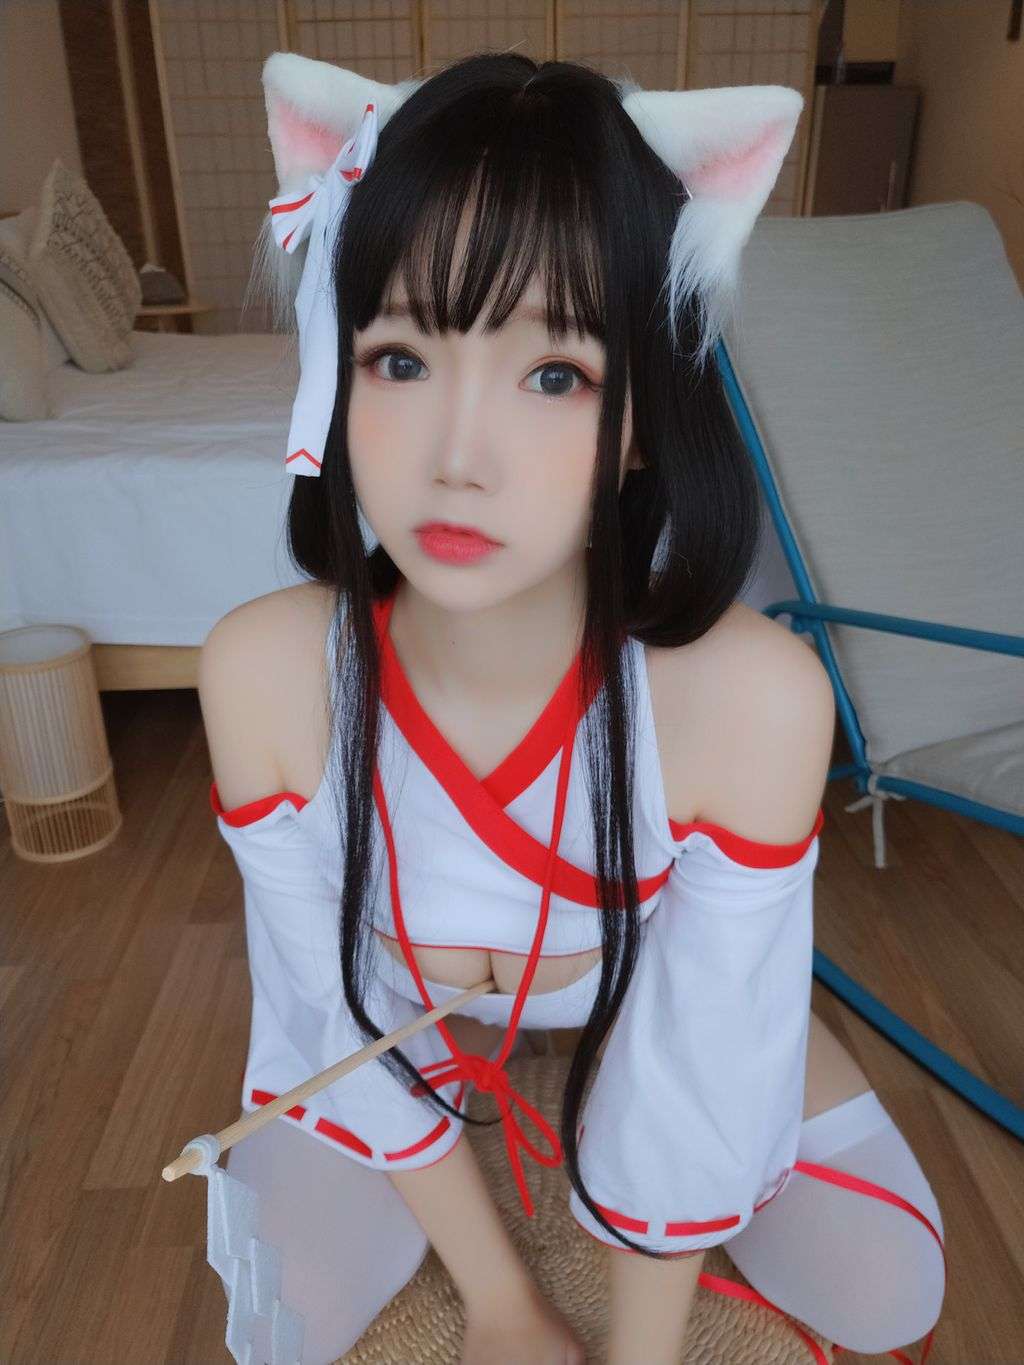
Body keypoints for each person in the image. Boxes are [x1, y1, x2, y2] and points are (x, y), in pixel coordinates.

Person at [199, 51, 946, 1365]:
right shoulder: (264, 674)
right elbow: (328, 1013)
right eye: (399, 358)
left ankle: (741, 1006)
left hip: (659, 1008)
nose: (457, 458)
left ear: (647, 413)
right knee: (285, 1317)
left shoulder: (750, 702)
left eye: (554, 374)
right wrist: (501, 1302)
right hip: (404, 1031)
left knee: (892, 1290)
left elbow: (701, 1068)